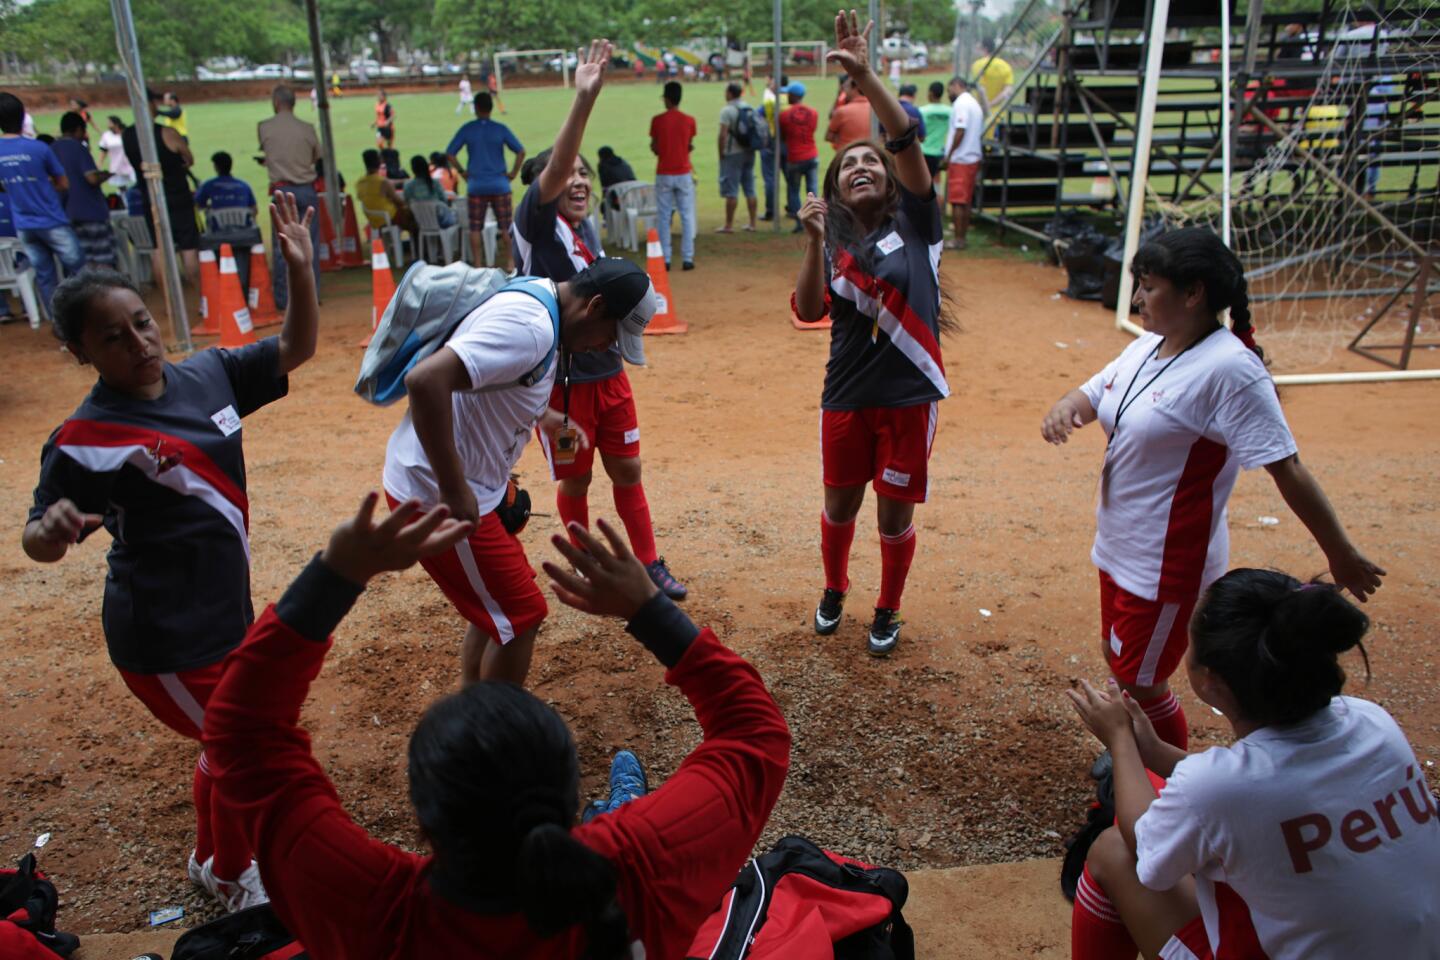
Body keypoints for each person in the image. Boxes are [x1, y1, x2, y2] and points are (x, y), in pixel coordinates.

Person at [203, 493, 790, 960]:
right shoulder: (638, 866)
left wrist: (335, 576)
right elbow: (753, 736)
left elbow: (240, 734)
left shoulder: (376, 914)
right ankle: (617, 802)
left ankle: (617, 801)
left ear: (424, 822)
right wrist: (650, 610)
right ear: (563, 797)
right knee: (628, 815)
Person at [22, 193, 318, 912]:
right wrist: (52, 531)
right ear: (80, 353)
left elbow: (294, 350)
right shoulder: (86, 437)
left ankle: (212, 860)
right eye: (113, 338)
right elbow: (36, 539)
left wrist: (300, 272)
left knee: (227, 742)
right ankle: (235, 874)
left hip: (224, 613)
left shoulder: (206, 374)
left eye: (142, 323)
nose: (139, 342)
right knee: (250, 741)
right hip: (164, 637)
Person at [1041, 227, 1385, 751]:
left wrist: (1339, 553)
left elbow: (1287, 468)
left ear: (1194, 293)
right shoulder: (1150, 348)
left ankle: (1157, 786)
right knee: (1126, 665)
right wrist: (1068, 407)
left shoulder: (1230, 370)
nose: (1135, 298)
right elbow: (1093, 392)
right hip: (1120, 548)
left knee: (1139, 684)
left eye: (1148, 286)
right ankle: (1144, 771)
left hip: (1165, 564)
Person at [1066, 568, 1439, 959]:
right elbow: (1259, 792)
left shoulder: (1218, 787)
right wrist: (1157, 753)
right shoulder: (1372, 722)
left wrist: (1121, 741)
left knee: (1113, 851)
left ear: (1210, 681)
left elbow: (1147, 849)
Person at [382, 254, 657, 686]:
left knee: (502, 612)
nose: (606, 348)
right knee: (523, 615)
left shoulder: (544, 299)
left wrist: (539, 416)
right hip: (437, 494)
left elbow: (500, 380)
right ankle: (492, 735)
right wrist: (455, 489)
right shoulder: (531, 329)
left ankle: (475, 705)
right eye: (611, 337)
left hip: (469, 487)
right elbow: (425, 382)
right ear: (596, 306)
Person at [792, 11, 951, 658]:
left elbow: (906, 138)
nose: (861, 163)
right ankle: (834, 589)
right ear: (831, 189)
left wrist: (864, 75)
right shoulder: (833, 247)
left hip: (909, 394)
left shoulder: (918, 224)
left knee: (893, 513)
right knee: (839, 507)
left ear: (888, 178)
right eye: (847, 163)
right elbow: (807, 312)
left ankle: (887, 607)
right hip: (846, 395)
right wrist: (812, 242)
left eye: (871, 159)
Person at [514, 41, 688, 605]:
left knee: (628, 468)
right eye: (568, 175)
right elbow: (558, 165)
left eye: (586, 174)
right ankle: (586, 563)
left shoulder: (586, 234)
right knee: (576, 480)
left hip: (609, 376)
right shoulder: (535, 227)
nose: (579, 181)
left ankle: (648, 564)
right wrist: (584, 101)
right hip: (561, 388)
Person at [0, 93, 86, 312]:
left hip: (24, 225)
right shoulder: (38, 148)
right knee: (79, 272)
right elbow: (64, 183)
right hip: (51, 219)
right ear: (22, 117)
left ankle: (59, 326)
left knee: (45, 276)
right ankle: (82, 319)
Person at [122, 88, 200, 300]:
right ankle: (200, 298)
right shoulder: (167, 133)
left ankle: (169, 301)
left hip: (151, 199)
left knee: (160, 249)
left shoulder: (127, 136)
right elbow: (189, 158)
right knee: (188, 249)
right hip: (176, 197)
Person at [257, 84, 323, 308]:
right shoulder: (306, 128)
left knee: (282, 246)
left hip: (283, 190)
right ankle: (311, 295)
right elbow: (317, 156)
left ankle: (285, 299)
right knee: (309, 244)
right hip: (306, 188)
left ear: (276, 102)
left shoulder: (265, 127)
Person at [446, 91, 524, 269]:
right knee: (506, 227)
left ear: (476, 108)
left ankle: (478, 264)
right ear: (491, 107)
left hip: (476, 185)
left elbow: (450, 153)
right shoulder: (500, 128)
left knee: (475, 227)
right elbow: (520, 151)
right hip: (500, 184)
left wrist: (462, 172)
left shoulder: (468, 129)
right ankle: (511, 263)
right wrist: (512, 173)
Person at [52, 111, 117, 269]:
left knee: (84, 263)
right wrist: (106, 175)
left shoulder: (51, 149)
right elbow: (92, 178)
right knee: (103, 260)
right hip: (91, 212)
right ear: (78, 129)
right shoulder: (78, 148)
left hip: (67, 213)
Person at [648, 81, 697, 270]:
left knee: (664, 216)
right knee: (686, 215)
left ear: (667, 98)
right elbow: (688, 144)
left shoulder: (657, 120)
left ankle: (665, 258)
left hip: (664, 173)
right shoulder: (689, 120)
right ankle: (688, 257)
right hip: (684, 172)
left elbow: (655, 146)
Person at [942, 75, 983, 249]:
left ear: (957, 85)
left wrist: (949, 155)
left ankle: (959, 239)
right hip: (972, 156)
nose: (949, 93)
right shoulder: (973, 103)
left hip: (962, 158)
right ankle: (961, 235)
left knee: (958, 200)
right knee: (964, 200)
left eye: (949, 89)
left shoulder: (962, 104)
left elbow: (960, 129)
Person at [716, 81, 758, 233]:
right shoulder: (749, 108)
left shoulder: (727, 111)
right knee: (750, 188)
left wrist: (721, 153)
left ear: (730, 93)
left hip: (733, 153)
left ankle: (728, 225)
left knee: (731, 190)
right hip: (749, 151)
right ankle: (752, 223)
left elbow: (723, 135)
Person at [778, 82, 819, 232]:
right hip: (812, 154)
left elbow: (782, 136)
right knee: (812, 189)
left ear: (793, 95)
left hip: (794, 157)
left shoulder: (783, 116)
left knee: (794, 190)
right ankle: (815, 219)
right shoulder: (813, 113)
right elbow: (812, 130)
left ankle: (799, 222)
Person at [356, 148, 415, 234]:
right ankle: (418, 245)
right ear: (379, 161)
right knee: (415, 218)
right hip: (389, 218)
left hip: (373, 219)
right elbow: (399, 202)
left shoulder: (360, 183)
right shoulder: (382, 182)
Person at [757, 75, 789, 223]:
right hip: (787, 142)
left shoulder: (771, 100)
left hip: (771, 142)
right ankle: (793, 208)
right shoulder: (790, 100)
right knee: (790, 178)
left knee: (770, 178)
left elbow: (758, 114)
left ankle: (771, 210)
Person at [194, 151, 258, 224]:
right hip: (244, 229)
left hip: (218, 231)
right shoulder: (244, 185)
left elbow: (198, 205)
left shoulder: (209, 185)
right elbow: (254, 210)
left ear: (216, 167)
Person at [402, 154, 456, 227]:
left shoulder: (408, 185)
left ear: (412, 169)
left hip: (419, 221)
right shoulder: (435, 183)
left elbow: (407, 202)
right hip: (438, 221)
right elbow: (443, 200)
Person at [826, 75, 873, 151]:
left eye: (846, 88)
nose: (844, 91)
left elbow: (829, 136)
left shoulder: (842, 111)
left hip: (846, 153)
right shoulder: (876, 108)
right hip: (870, 152)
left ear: (854, 88)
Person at [918, 82, 951, 183]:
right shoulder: (950, 111)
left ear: (930, 93)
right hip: (939, 152)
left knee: (923, 181)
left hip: (924, 151)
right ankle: (937, 198)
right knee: (937, 180)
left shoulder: (922, 111)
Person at [970, 39, 1014, 112]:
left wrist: (985, 106)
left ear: (985, 49)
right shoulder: (1005, 66)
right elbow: (1008, 90)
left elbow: (979, 88)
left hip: (980, 110)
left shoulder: (977, 65)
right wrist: (991, 104)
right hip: (998, 113)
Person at [98, 115, 135, 191]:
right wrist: (99, 164)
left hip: (130, 163)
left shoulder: (126, 133)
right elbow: (103, 151)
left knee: (135, 183)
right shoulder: (106, 136)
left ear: (116, 124)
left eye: (109, 122)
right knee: (121, 187)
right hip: (117, 164)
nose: (108, 124)